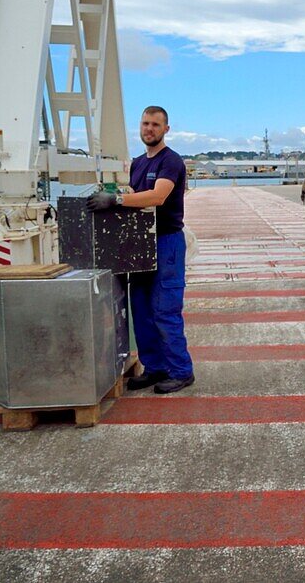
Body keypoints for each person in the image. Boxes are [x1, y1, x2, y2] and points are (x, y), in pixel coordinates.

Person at [87, 106, 195, 394]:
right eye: (146, 123)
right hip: (141, 244)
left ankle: (181, 371)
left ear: (166, 129)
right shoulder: (137, 163)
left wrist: (116, 200)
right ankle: (155, 367)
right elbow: (137, 198)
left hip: (167, 242)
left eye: (156, 124)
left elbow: (159, 196)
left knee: (165, 310)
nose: (149, 129)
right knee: (142, 309)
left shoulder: (170, 161)